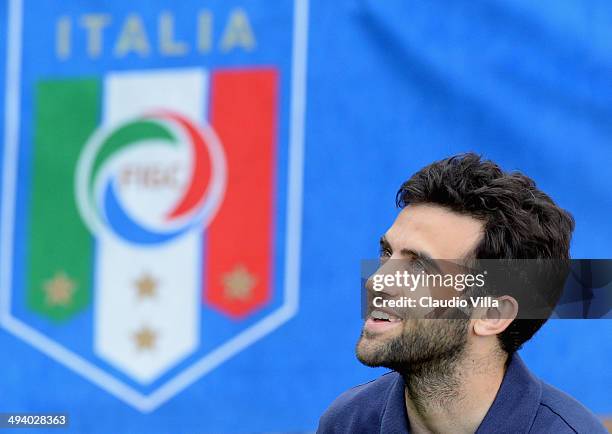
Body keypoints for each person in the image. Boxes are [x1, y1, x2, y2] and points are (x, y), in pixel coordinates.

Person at [317, 154, 607, 433]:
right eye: (387, 253)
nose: (376, 281)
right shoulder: (347, 422)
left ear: (492, 314)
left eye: (419, 266)